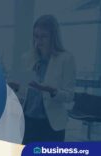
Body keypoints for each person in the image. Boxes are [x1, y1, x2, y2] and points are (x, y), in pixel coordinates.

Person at [8, 15, 75, 144]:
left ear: (53, 37)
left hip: (51, 125)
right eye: (36, 36)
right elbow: (23, 91)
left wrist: (51, 91)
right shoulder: (27, 58)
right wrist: (15, 87)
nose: (39, 40)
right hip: (28, 122)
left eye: (44, 36)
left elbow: (69, 96)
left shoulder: (66, 59)